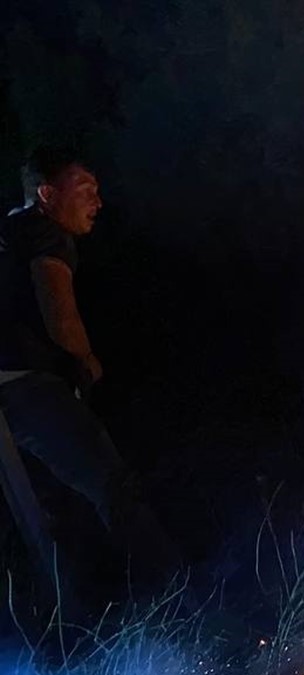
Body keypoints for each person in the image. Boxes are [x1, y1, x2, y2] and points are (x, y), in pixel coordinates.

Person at [0, 145, 180, 609]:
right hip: (23, 386)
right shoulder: (46, 235)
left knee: (44, 514)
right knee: (113, 486)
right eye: (84, 189)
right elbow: (57, 306)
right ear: (46, 193)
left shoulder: (9, 229)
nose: (96, 201)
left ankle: (73, 623)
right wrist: (84, 361)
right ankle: (180, 603)